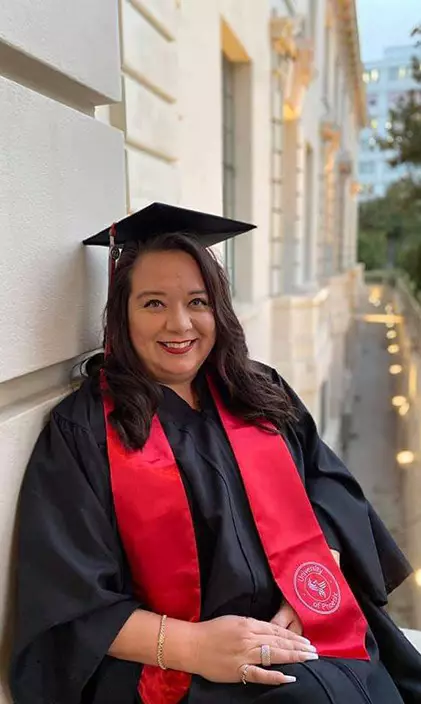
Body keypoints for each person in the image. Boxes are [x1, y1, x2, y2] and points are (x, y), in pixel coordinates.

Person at [9, 203, 421, 704]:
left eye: (197, 301)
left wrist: (315, 569)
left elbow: (328, 484)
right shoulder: (87, 429)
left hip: (303, 626)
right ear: (122, 313)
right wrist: (193, 646)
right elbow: (66, 595)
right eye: (154, 303)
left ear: (218, 309)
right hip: (185, 669)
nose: (179, 324)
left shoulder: (258, 389)